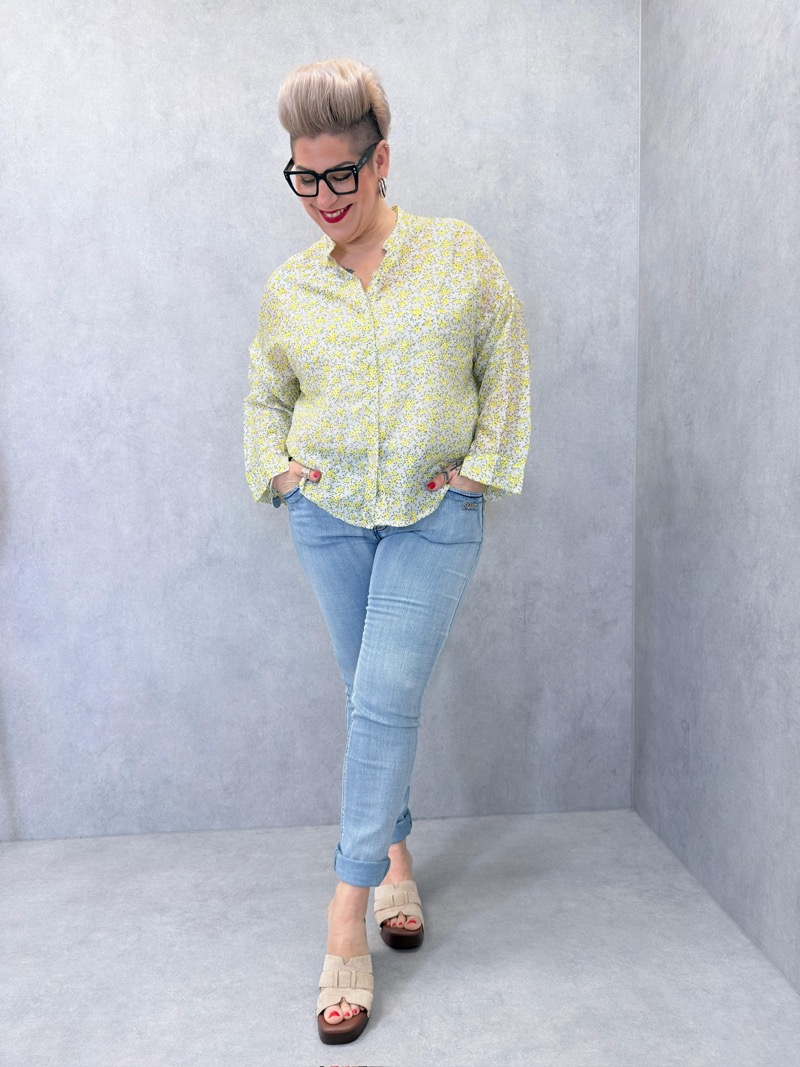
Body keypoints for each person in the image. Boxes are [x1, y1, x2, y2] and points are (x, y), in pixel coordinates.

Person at [244, 57, 530, 1045]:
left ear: (380, 162)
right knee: (368, 691)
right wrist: (279, 472)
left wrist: (481, 471)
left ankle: (344, 913)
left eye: (340, 174)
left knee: (382, 696)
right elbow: (264, 395)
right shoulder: (291, 286)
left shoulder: (457, 255)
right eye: (304, 177)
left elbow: (504, 357)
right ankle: (399, 860)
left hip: (431, 517)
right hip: (327, 518)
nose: (323, 197)